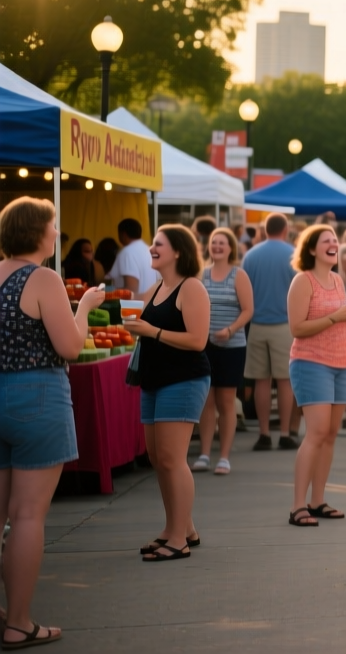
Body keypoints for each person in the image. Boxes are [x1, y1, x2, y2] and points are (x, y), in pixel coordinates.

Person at [0, 198, 106, 647]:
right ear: (37, 233)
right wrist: (83, 308)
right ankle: (19, 621)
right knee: (27, 516)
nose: (57, 233)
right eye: (53, 226)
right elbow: (69, 346)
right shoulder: (42, 278)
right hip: (36, 397)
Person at [124, 225, 212, 562]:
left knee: (173, 459)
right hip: (153, 378)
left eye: (158, 244)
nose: (151, 249)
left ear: (177, 251)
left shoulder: (192, 288)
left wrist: (153, 331)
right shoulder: (156, 287)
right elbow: (139, 325)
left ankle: (179, 538)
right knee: (158, 458)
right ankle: (178, 527)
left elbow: (197, 340)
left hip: (184, 379)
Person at [286, 225, 346, 526]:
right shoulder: (302, 281)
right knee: (316, 433)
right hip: (310, 363)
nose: (333, 244)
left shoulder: (337, 279)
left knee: (330, 435)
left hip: (342, 362)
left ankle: (317, 501)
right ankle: (297, 506)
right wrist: (335, 316)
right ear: (312, 249)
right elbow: (297, 328)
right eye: (326, 241)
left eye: (335, 240)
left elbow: (339, 319)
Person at [193, 229, 253, 476]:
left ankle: (224, 457)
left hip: (231, 346)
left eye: (222, 243)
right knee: (206, 401)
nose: (217, 247)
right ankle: (205, 453)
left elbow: (248, 310)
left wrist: (230, 330)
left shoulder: (238, 275)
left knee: (226, 401)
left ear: (231, 248)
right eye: (214, 242)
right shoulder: (201, 274)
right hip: (203, 346)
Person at [243, 214, 300, 451]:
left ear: (264, 230)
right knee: (285, 381)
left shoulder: (251, 255)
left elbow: (244, 290)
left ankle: (264, 433)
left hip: (256, 324)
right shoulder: (293, 255)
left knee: (261, 381)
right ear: (285, 229)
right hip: (285, 325)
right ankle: (285, 433)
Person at [112, 217, 160, 295]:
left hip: (134, 305)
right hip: (150, 303)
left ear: (123, 234)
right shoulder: (149, 251)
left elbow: (131, 288)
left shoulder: (127, 252)